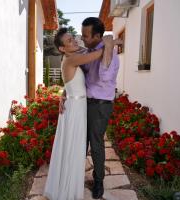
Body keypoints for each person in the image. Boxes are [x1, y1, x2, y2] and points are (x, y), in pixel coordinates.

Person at [43, 27, 115, 200]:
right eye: (69, 41)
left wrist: (64, 93)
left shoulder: (71, 56)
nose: (74, 41)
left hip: (78, 105)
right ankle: (68, 188)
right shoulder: (71, 60)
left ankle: (72, 183)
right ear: (62, 48)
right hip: (75, 110)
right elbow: (95, 54)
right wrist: (109, 42)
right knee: (73, 148)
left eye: (73, 38)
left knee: (75, 148)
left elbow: (72, 81)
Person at [59, 17, 121, 199]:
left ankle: (99, 182)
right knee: (80, 142)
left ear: (97, 36)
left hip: (100, 106)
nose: (82, 38)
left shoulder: (111, 54)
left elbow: (104, 76)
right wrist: (65, 93)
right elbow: (77, 76)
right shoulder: (88, 52)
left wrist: (108, 48)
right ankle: (75, 178)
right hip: (83, 103)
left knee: (96, 145)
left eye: (85, 35)